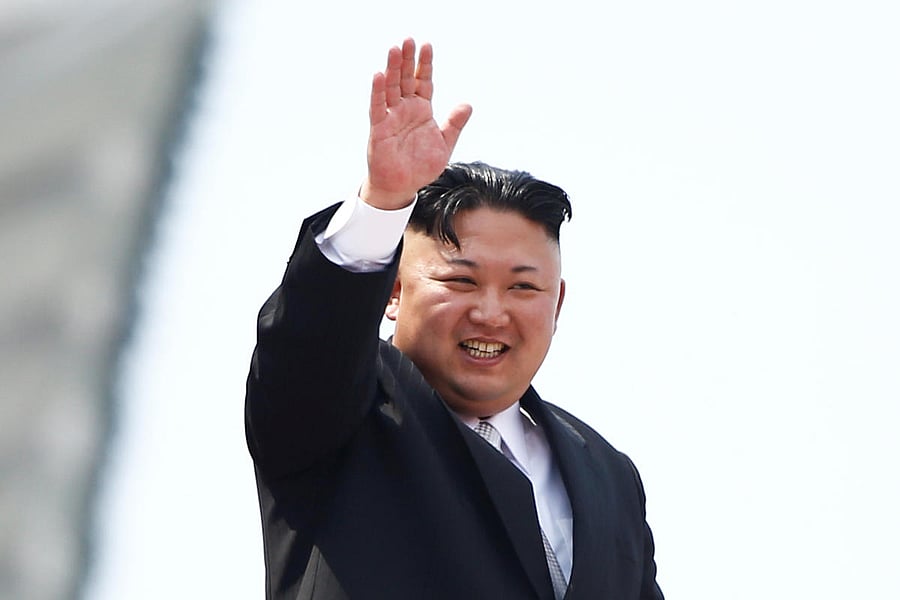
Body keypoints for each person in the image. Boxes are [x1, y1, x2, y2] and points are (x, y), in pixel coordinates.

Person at [245, 38, 664, 600]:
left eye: (522, 287)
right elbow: (309, 341)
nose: (491, 313)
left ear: (557, 304)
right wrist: (384, 202)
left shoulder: (609, 474)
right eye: (461, 281)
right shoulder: (344, 413)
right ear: (392, 290)